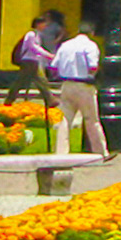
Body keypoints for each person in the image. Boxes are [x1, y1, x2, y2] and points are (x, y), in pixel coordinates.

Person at [48, 18, 110, 158]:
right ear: (92, 33)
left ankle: (60, 153)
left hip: (66, 85)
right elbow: (93, 66)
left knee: (64, 120)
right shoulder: (90, 46)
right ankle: (100, 152)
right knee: (91, 120)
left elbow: (53, 66)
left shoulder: (65, 45)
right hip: (84, 85)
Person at [7, 10, 55, 103]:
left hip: (34, 61)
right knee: (20, 82)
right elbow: (33, 47)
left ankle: (50, 100)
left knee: (41, 81)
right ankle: (9, 100)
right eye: (43, 24)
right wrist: (48, 55)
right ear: (38, 24)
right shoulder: (31, 34)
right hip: (28, 61)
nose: (45, 26)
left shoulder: (37, 35)